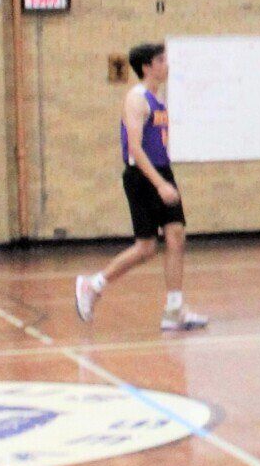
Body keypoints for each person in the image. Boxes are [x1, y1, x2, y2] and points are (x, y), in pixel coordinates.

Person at [74, 43, 208, 333]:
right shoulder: (137, 99)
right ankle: (92, 285)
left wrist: (165, 177)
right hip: (143, 175)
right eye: (161, 60)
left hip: (161, 171)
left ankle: (174, 310)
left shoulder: (159, 100)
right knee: (146, 247)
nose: (166, 65)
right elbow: (134, 148)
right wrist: (160, 184)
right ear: (147, 67)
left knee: (176, 236)